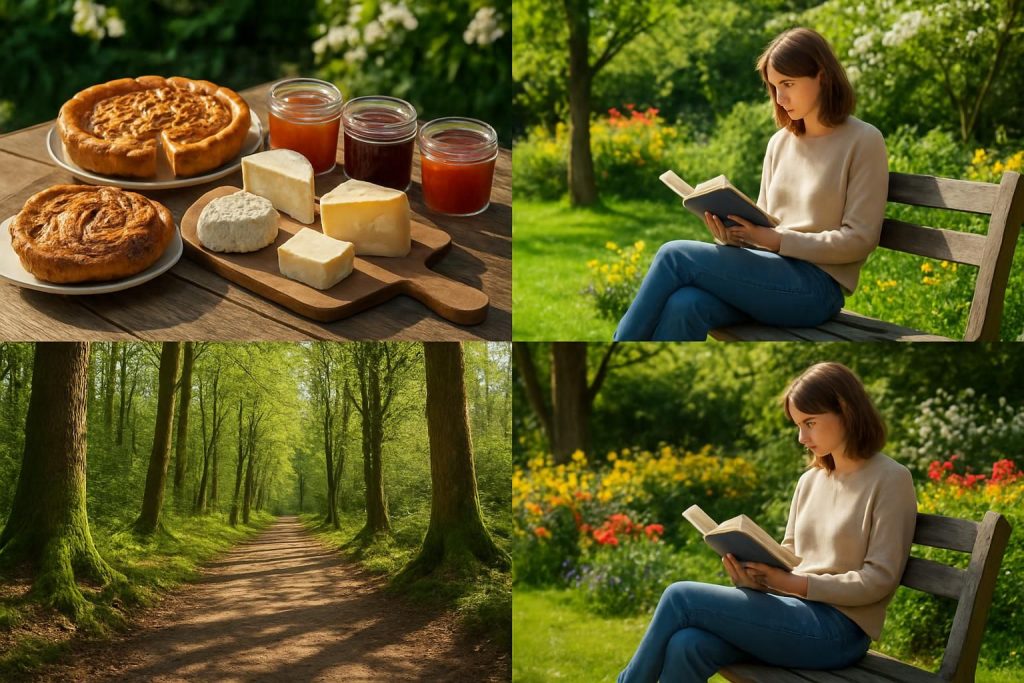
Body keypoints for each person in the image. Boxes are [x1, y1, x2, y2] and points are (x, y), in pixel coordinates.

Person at [616, 362, 918, 682]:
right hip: (791, 613)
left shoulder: (891, 479)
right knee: (688, 644)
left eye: (810, 423)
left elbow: (879, 579)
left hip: (839, 631)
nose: (802, 437)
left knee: (680, 597)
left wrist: (795, 585)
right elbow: (789, 553)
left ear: (845, 409)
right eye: (798, 425)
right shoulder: (810, 480)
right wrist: (759, 579)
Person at [614, 28, 889, 341]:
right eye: (774, 87)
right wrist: (735, 237)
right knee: (685, 305)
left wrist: (775, 241)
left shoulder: (864, 141)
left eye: (788, 84)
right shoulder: (779, 143)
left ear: (822, 77)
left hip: (816, 288)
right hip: (767, 274)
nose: (780, 98)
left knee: (673, 254)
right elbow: (765, 222)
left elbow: (860, 239)